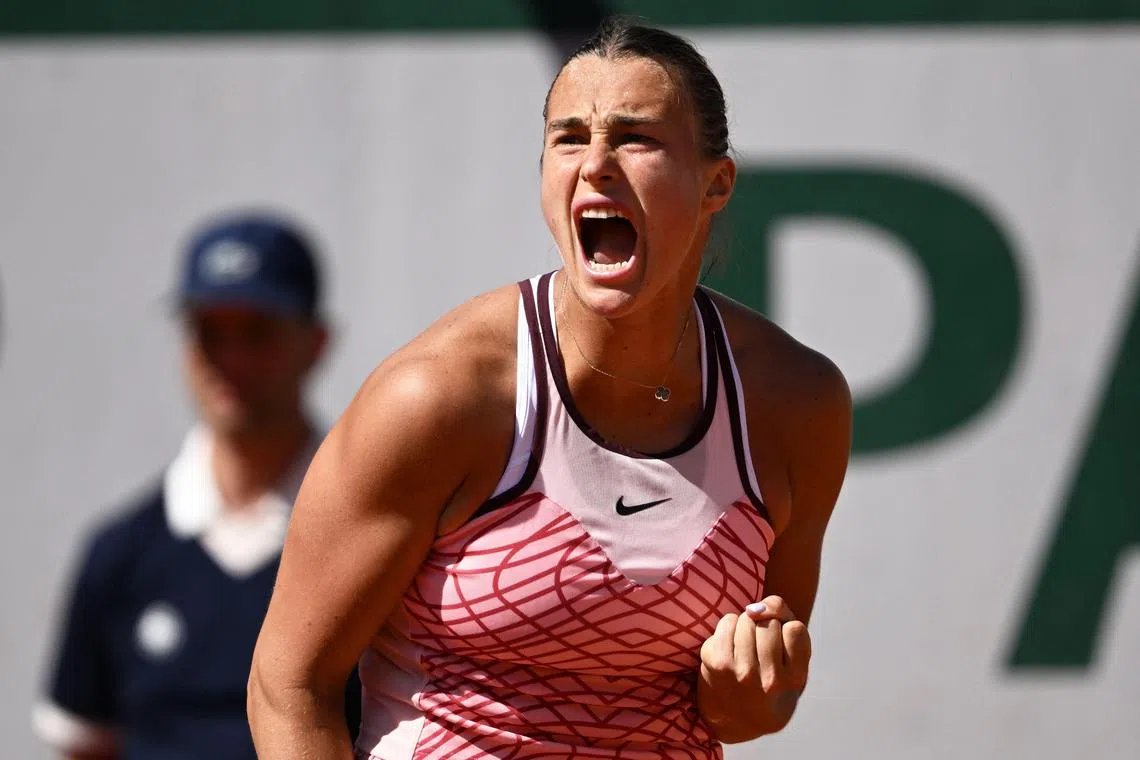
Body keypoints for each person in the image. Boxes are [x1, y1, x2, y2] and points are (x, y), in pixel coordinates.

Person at [248, 17, 852, 760]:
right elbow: (289, 687)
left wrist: (753, 697)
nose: (596, 164)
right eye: (569, 139)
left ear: (715, 183)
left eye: (637, 138)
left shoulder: (798, 405)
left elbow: (743, 711)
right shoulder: (439, 397)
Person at [33, 213, 360, 759]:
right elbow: (83, 741)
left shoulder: (373, 533)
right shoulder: (120, 553)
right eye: (209, 333)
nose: (231, 360)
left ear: (317, 342)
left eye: (258, 331)